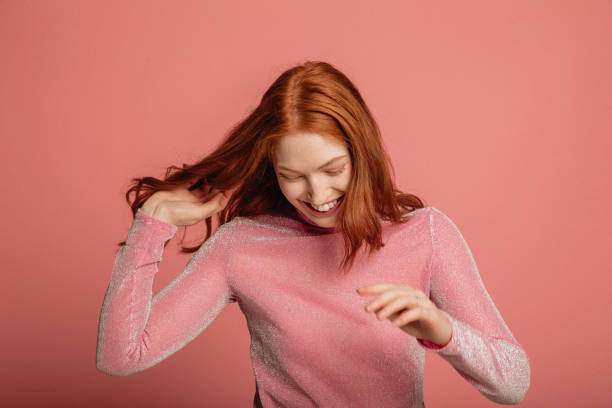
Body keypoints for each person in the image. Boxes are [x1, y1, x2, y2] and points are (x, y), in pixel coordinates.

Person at [96, 61, 531, 407]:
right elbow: (121, 356)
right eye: (293, 175)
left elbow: (513, 383)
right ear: (273, 169)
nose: (318, 194)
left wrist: (441, 329)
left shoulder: (425, 234)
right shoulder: (241, 246)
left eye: (333, 170)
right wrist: (151, 225)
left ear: (362, 154)